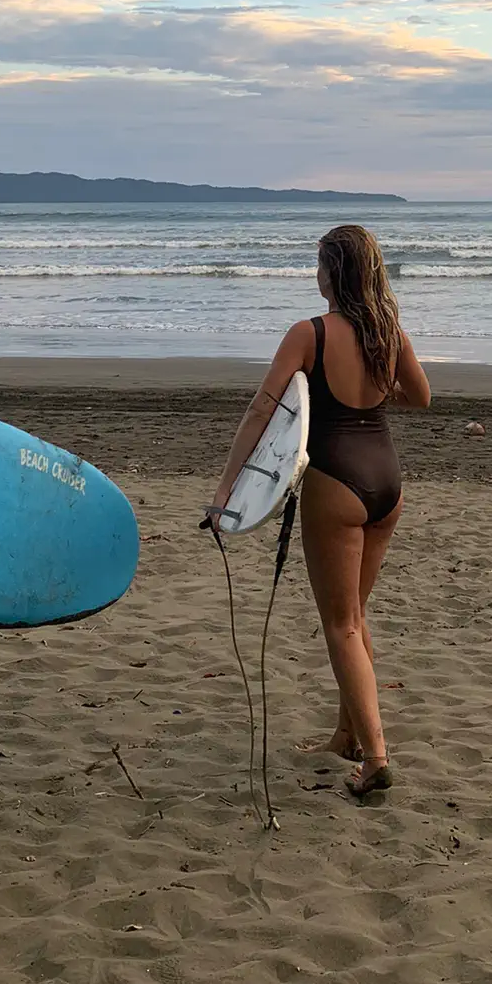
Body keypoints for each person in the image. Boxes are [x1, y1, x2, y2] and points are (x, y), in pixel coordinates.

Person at [207, 224, 430, 797]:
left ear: (332, 271)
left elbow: (263, 410)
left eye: (318, 264)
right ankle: (347, 735)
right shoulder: (388, 332)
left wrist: (228, 490)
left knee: (341, 624)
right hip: (387, 483)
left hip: (337, 485)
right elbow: (422, 397)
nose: (315, 274)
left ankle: (376, 757)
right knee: (355, 615)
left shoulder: (310, 334)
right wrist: (376, 392)